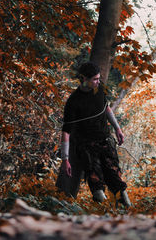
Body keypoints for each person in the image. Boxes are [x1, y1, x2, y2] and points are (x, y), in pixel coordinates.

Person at [59, 61, 131, 206]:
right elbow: (66, 132)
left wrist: (117, 129)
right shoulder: (73, 102)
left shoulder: (100, 90)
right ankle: (104, 213)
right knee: (96, 182)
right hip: (86, 146)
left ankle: (128, 212)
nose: (98, 82)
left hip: (105, 141)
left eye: (99, 78)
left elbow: (107, 109)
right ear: (84, 79)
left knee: (116, 180)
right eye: (95, 79)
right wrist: (65, 159)